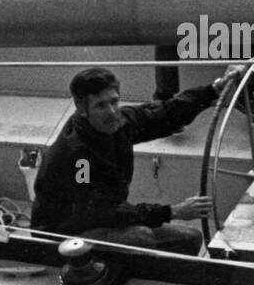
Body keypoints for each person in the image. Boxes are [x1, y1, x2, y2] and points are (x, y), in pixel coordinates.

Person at [31, 64, 243, 255]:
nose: (112, 112)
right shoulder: (80, 161)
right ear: (81, 109)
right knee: (140, 238)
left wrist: (213, 90)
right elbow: (96, 212)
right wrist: (172, 211)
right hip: (63, 234)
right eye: (100, 106)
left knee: (190, 239)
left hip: (100, 214)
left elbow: (165, 113)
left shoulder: (120, 123)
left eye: (114, 101)